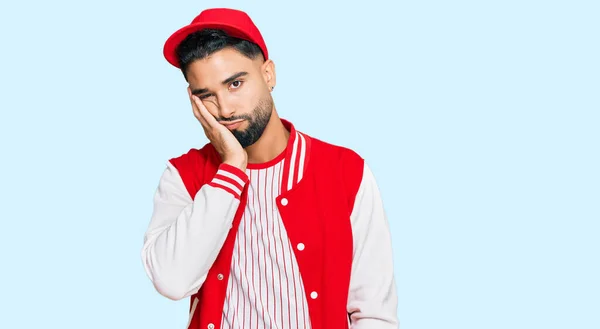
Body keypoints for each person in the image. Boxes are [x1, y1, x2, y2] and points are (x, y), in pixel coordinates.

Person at [141, 7, 399, 329]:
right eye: (207, 96)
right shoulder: (183, 176)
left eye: (235, 84)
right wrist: (232, 168)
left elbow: (374, 313)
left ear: (268, 74)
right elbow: (172, 281)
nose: (224, 108)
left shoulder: (346, 172)